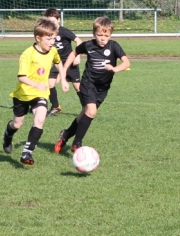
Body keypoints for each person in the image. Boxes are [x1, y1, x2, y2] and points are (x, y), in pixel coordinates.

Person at [54, 16, 130, 154]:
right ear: (94, 33)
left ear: (110, 35)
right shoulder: (88, 45)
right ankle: (77, 144)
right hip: (88, 83)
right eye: (99, 35)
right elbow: (74, 52)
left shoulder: (114, 46)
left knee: (85, 114)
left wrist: (115, 69)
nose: (103, 38)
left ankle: (66, 134)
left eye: (106, 36)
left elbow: (126, 62)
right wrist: (64, 68)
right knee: (91, 111)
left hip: (103, 87)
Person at [3, 17, 68, 165]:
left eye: (54, 38)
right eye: (49, 39)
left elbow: (58, 63)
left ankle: (27, 152)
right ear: (38, 38)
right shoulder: (28, 54)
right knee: (17, 124)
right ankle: (8, 133)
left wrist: (63, 79)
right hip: (23, 94)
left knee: (40, 119)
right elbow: (21, 77)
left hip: (40, 94)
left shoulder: (52, 51)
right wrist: (36, 84)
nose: (52, 42)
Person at [43, 8, 80, 116]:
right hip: (57, 62)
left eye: (54, 21)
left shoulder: (64, 31)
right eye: (49, 21)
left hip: (69, 62)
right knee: (50, 83)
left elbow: (78, 41)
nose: (52, 23)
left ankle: (87, 108)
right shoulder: (49, 33)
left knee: (77, 87)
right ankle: (56, 106)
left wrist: (77, 56)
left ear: (58, 20)